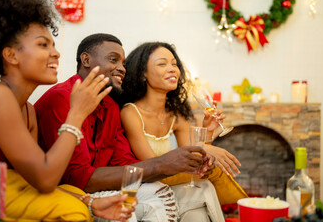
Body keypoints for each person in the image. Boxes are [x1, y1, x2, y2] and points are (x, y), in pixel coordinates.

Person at [0, 0, 135, 221]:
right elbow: (46, 180)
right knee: (72, 211)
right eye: (42, 44)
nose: (56, 53)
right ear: (11, 55)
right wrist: (77, 114)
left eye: (54, 45)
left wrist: (91, 202)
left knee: (77, 199)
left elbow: (38, 178)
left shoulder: (26, 110)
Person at [35, 33, 214, 222]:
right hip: (71, 193)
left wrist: (183, 164)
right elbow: (77, 177)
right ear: (86, 59)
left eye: (123, 63)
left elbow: (124, 162)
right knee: (150, 199)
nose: (121, 68)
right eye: (114, 60)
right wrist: (163, 163)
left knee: (176, 194)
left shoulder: (110, 106)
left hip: (101, 189)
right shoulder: (62, 99)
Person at [119, 42, 244, 221]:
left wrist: (207, 132)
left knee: (197, 214)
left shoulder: (177, 114)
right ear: (142, 73)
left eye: (174, 64)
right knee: (206, 188)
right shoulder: (130, 112)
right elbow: (151, 165)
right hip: (147, 187)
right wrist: (202, 148)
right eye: (162, 64)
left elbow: (194, 158)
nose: (172, 69)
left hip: (172, 184)